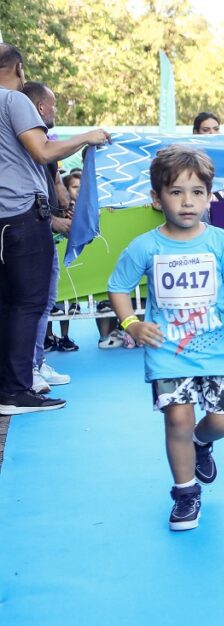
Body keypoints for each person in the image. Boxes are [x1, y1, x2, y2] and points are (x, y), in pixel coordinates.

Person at [107, 145, 224, 530]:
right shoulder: (146, 246)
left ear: (209, 196)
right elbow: (118, 287)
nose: (187, 202)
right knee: (178, 421)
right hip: (168, 351)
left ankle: (202, 444)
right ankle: (185, 493)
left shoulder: (222, 242)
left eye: (197, 193)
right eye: (176, 192)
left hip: (218, 349)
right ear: (157, 198)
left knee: (223, 423)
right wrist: (130, 324)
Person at [1, 45, 108, 415]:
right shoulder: (14, 101)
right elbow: (42, 151)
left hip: (4, 219)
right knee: (29, 304)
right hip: (22, 215)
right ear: (18, 67)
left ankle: (11, 384)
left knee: (9, 305)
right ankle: (16, 389)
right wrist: (86, 138)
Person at [20, 82, 75, 394]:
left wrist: (66, 204)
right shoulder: (26, 146)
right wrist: (54, 221)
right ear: (41, 108)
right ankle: (26, 368)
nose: (55, 111)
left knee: (46, 301)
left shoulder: (48, 146)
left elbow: (55, 179)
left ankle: (37, 362)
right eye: (53, 105)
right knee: (31, 304)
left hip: (45, 232)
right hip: (32, 230)